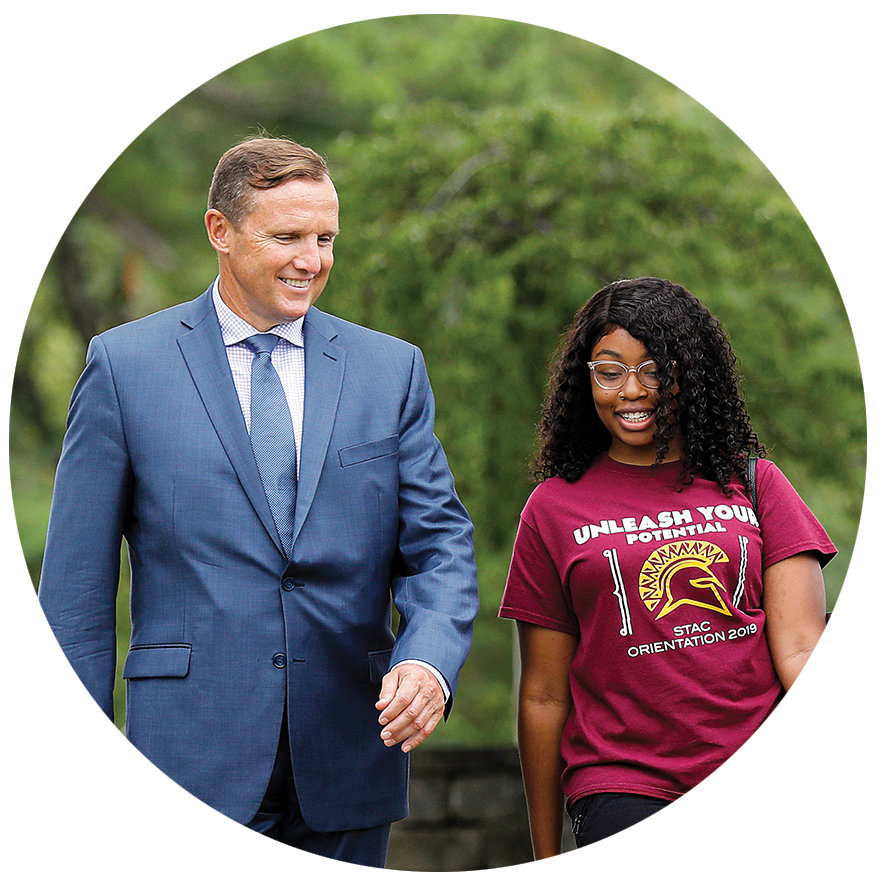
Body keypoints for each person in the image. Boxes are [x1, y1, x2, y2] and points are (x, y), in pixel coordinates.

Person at [38, 136, 479, 867]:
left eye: (325, 237)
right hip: (181, 764)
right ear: (221, 231)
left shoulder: (391, 369)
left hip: (350, 755)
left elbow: (440, 545)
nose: (312, 259)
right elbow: (77, 595)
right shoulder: (124, 367)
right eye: (287, 236)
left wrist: (429, 660)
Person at [499, 277, 835, 856]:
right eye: (609, 371)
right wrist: (546, 853)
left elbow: (802, 650)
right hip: (622, 786)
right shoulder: (553, 509)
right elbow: (544, 696)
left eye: (655, 370)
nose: (632, 391)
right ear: (587, 381)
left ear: (690, 374)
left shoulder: (755, 485)